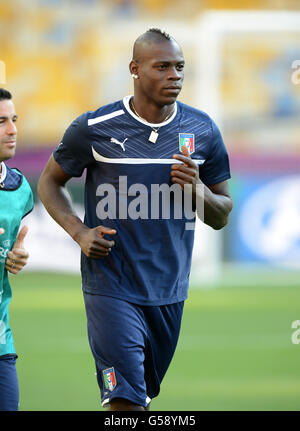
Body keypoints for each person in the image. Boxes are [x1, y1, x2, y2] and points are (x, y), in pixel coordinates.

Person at [37, 28, 233, 411]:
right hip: (111, 283)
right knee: (124, 401)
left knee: (140, 396)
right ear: (135, 69)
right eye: (162, 67)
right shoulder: (96, 127)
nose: (174, 75)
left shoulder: (203, 130)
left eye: (179, 67)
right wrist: (78, 232)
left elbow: (222, 214)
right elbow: (49, 181)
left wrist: (199, 190)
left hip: (169, 288)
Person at [0, 88, 34, 411]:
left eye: (14, 120)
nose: (12, 130)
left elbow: (13, 247)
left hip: (1, 341)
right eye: (1, 121)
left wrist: (16, 256)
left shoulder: (19, 188)